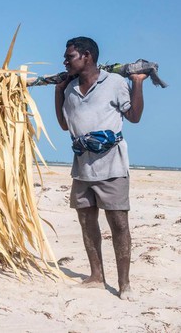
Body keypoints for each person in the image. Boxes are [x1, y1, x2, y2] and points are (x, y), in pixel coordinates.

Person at [54, 37, 147, 301]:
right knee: (86, 222)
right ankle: (96, 277)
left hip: (112, 165)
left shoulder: (115, 83)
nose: (64, 61)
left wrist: (137, 83)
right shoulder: (71, 88)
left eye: (69, 56)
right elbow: (63, 125)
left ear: (86, 56)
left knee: (118, 224)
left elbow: (134, 116)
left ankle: (124, 284)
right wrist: (59, 91)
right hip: (82, 167)